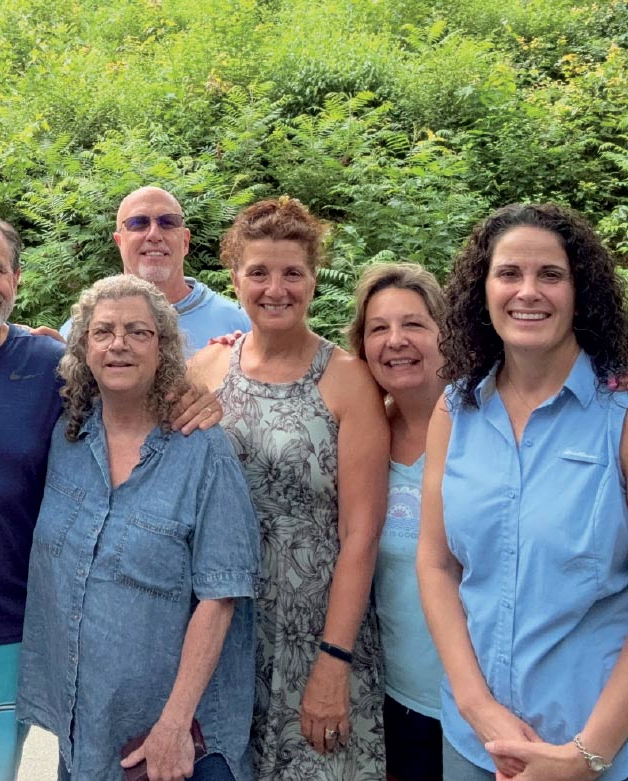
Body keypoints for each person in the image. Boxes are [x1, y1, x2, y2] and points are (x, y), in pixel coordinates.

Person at [0, 204, 223, 781]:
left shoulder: (54, 369)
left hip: (4, 642)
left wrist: (196, 393)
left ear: (16, 281)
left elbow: (133, 399)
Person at [18, 274, 260, 781]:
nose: (119, 344)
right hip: (85, 734)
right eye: (103, 332)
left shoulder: (203, 451)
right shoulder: (65, 441)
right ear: (83, 349)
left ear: (163, 347)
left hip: (175, 744)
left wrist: (173, 726)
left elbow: (221, 597)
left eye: (138, 332)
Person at [417, 203, 628, 781]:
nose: (528, 292)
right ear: (482, 290)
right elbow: (437, 565)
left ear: (580, 290)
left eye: (551, 275)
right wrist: (478, 708)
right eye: (509, 273)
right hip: (474, 745)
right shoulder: (455, 409)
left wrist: (587, 755)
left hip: (598, 747)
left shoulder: (621, 415)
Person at [188, 196, 388, 780]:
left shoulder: (348, 381)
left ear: (313, 279)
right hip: (222, 628)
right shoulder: (207, 368)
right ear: (235, 279)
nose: (275, 288)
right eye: (258, 272)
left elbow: (361, 535)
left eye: (292, 273)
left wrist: (333, 662)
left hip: (318, 629)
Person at [345, 263, 447, 781]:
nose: (396, 341)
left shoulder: (488, 427)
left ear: (443, 332)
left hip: (485, 705)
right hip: (398, 700)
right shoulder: (367, 437)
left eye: (414, 324)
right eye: (378, 328)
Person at [59, 186, 250, 356]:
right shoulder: (80, 330)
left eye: (168, 222)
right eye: (138, 223)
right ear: (119, 242)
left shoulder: (237, 324)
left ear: (185, 241)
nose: (154, 235)